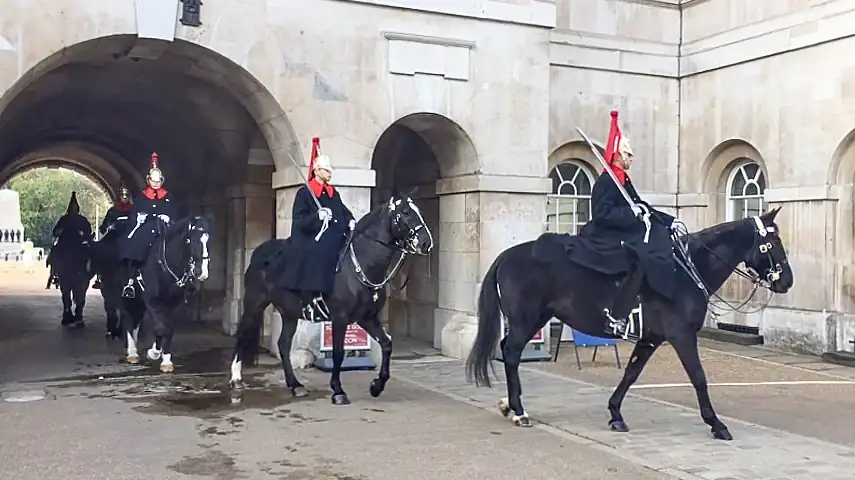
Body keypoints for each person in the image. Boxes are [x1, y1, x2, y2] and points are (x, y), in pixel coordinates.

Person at [569, 111, 688, 340]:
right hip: (603, 235)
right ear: (617, 155)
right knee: (638, 261)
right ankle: (618, 317)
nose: (631, 159)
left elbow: (642, 206)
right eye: (628, 155)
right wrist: (630, 213)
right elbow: (602, 213)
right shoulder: (607, 181)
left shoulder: (623, 180)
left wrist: (669, 221)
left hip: (620, 233)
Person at [278, 137, 355, 322]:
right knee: (319, 252)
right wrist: (317, 217)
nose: (330, 173)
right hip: (312, 238)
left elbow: (342, 211)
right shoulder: (305, 193)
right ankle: (312, 300)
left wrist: (351, 220)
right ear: (317, 170)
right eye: (326, 170)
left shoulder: (332, 192)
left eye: (330, 170)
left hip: (335, 236)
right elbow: (299, 220)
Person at [118, 152, 178, 298]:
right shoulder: (142, 196)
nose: (156, 183)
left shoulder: (168, 196)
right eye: (153, 181)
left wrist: (168, 217)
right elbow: (137, 212)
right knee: (135, 244)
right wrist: (139, 219)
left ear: (162, 181)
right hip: (147, 226)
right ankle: (131, 282)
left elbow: (174, 212)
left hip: (164, 226)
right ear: (149, 180)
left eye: (158, 181)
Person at [92, 184, 133, 289]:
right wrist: (108, 227)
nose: (124, 197)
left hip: (129, 235)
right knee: (100, 248)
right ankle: (99, 275)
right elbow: (103, 226)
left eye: (127, 195)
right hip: (114, 235)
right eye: (123, 195)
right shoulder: (113, 211)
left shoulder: (134, 210)